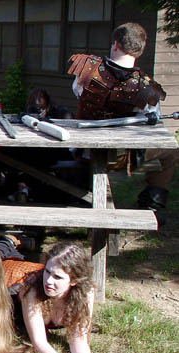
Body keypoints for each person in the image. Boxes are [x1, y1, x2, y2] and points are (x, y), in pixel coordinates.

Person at [69, 22, 173, 218]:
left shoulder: (86, 69)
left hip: (85, 150)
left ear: (115, 44)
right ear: (140, 50)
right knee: (170, 153)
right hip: (119, 157)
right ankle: (151, 205)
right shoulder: (147, 87)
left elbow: (77, 91)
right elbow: (151, 120)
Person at [13, 242, 99, 353]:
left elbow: (78, 338)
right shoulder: (32, 290)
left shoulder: (86, 293)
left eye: (58, 277)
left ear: (74, 281)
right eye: (47, 272)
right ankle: (9, 240)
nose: (48, 281)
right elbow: (39, 341)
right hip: (12, 287)